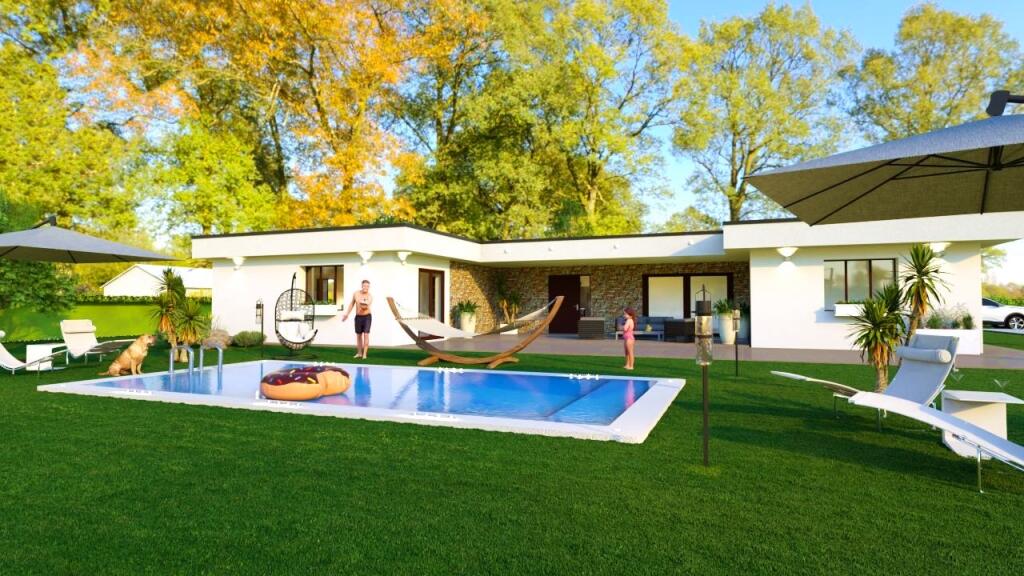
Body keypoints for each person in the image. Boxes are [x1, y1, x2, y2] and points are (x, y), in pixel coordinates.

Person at [342, 280, 374, 359]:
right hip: (358, 317)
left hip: (367, 317)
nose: (366, 287)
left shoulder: (370, 296)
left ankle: (364, 354)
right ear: (362, 286)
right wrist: (347, 314)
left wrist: (363, 303)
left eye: (367, 286)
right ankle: (359, 353)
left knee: (366, 334)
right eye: (364, 286)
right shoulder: (356, 294)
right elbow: (352, 304)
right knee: (358, 335)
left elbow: (365, 307)